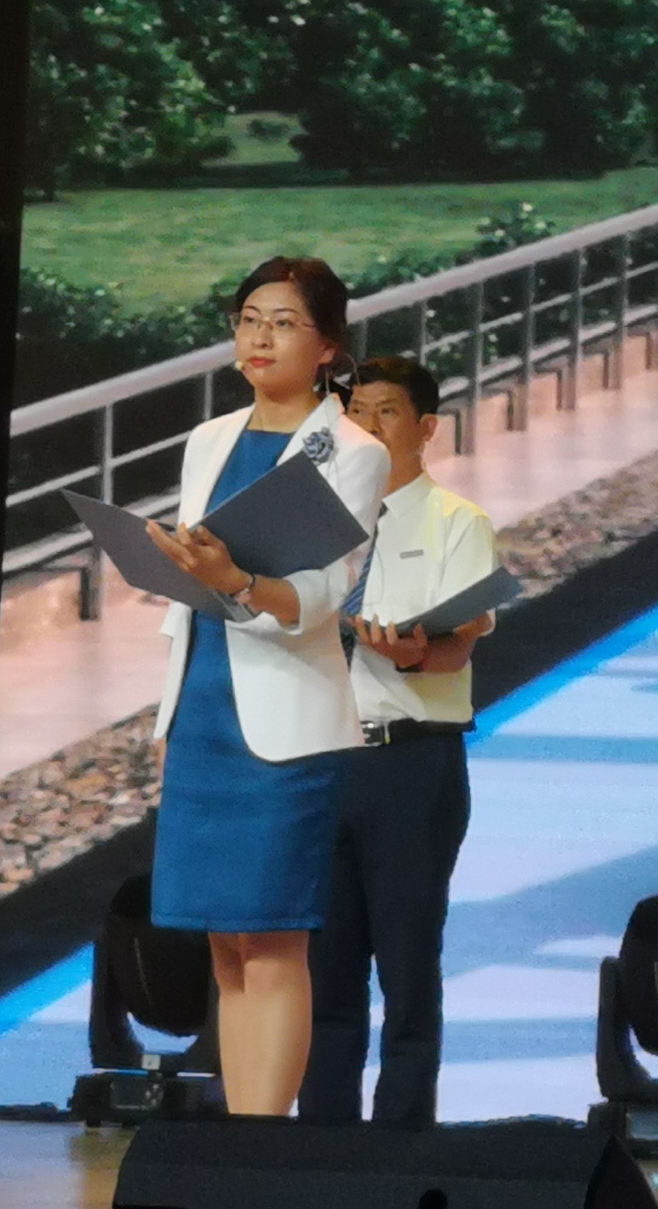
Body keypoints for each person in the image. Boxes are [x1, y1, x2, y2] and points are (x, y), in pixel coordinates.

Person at [141, 256, 389, 1116]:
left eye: (283, 323)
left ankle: (261, 1144)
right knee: (225, 944)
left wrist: (238, 581)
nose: (260, 337)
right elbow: (191, 590)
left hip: (285, 721)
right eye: (249, 319)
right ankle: (234, 1137)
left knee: (274, 940)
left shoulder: (353, 451)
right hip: (204, 707)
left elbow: (323, 596)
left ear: (328, 347)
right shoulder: (209, 439)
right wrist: (180, 573)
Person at [302, 352, 496, 1129]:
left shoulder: (457, 522)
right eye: (357, 413)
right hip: (323, 762)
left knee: (408, 973)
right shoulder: (317, 527)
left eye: (386, 412)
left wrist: (413, 651)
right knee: (324, 976)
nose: (369, 427)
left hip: (411, 763)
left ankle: (400, 1148)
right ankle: (322, 1147)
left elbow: (458, 647)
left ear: (426, 428)